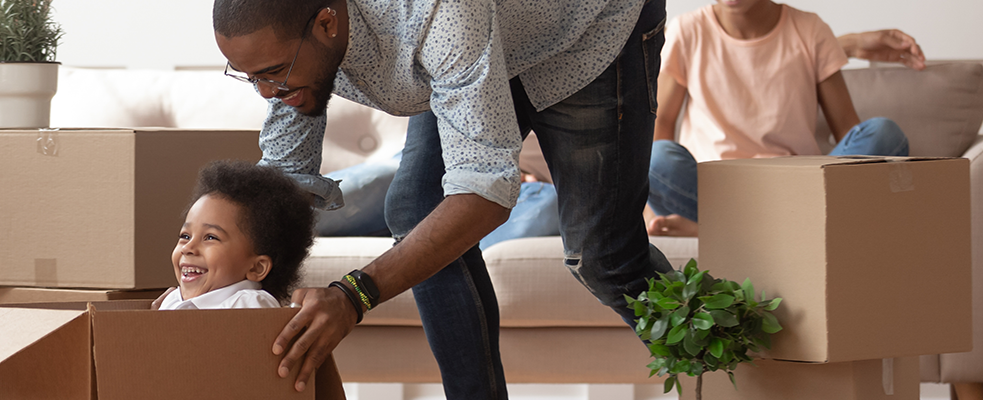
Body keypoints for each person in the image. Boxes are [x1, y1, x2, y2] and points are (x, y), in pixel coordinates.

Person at [212, 0, 673, 397]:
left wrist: (353, 296)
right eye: (252, 77)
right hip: (482, 36)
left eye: (274, 74)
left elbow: (485, 193)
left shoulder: (438, 16)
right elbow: (282, 182)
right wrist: (204, 295)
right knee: (416, 208)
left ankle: (726, 351)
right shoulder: (288, 45)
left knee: (606, 257)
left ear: (327, 24)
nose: (269, 92)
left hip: (587, 31)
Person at [645, 0, 922, 237]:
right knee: (656, 157)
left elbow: (850, 132)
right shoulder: (687, 31)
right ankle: (784, 229)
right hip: (715, 191)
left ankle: (720, 230)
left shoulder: (811, 29)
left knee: (883, 134)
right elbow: (660, 122)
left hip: (800, 190)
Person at [317, 151, 560, 250]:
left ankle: (421, 245)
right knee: (389, 175)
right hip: (438, 162)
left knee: (549, 202)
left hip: (521, 189)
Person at [156, 160, 317, 310]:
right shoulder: (171, 301)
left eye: (210, 237)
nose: (188, 248)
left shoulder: (248, 304)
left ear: (256, 267)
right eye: (185, 236)